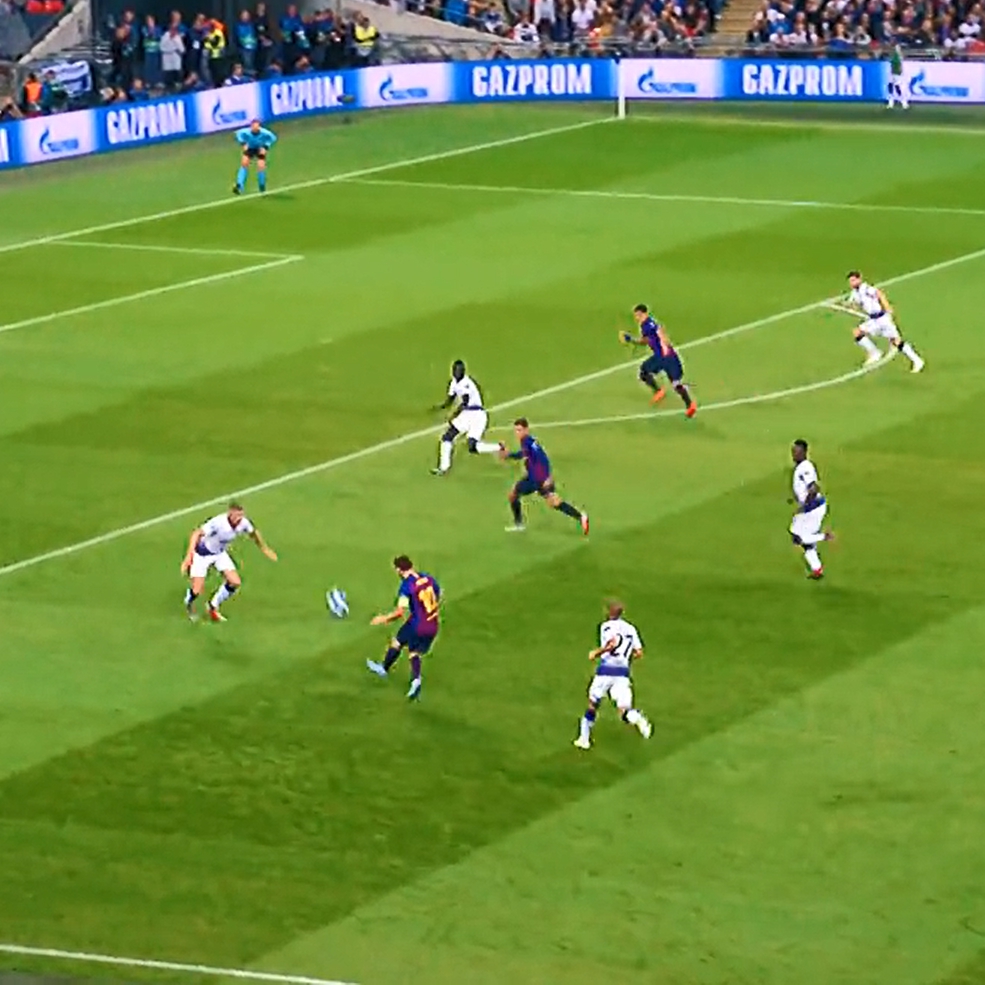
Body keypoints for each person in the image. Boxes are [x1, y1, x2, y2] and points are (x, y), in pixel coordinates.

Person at [574, 600, 652, 749]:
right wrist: (625, 659)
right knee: (623, 710)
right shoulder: (631, 628)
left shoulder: (606, 626)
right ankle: (638, 718)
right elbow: (639, 652)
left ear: (609, 612)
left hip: (606, 671)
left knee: (593, 703)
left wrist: (597, 652)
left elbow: (613, 643)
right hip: (622, 673)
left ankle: (584, 739)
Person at [181, 502, 277, 622]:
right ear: (230, 514)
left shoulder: (243, 523)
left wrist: (264, 548)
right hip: (202, 554)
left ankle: (213, 605)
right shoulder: (218, 523)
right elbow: (196, 533)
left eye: (241, 516)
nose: (239, 519)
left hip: (219, 554)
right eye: (237, 516)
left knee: (235, 582)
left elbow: (253, 533)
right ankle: (189, 603)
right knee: (197, 590)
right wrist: (189, 556)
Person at [367, 555, 441, 700]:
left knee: (411, 651)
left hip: (418, 624)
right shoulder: (428, 578)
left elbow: (400, 612)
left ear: (399, 570)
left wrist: (383, 618)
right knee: (400, 642)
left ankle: (415, 680)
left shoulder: (407, 586)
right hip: (432, 623)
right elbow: (437, 593)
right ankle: (385, 668)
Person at [500, 418, 589, 534]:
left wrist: (509, 455)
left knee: (513, 495)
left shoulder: (526, 441)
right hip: (541, 476)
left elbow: (527, 455)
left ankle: (519, 524)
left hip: (535, 478)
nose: (517, 433)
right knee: (554, 502)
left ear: (526, 430)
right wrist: (547, 476)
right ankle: (581, 517)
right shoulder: (532, 441)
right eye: (516, 430)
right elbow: (542, 457)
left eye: (520, 430)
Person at [621, 304, 697, 416]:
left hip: (661, 357)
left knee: (643, 372)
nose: (637, 318)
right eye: (636, 316)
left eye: (639, 315)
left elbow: (645, 341)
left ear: (645, 313)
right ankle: (690, 405)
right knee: (676, 383)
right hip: (671, 356)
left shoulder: (646, 326)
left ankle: (658, 391)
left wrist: (630, 339)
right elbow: (661, 337)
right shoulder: (653, 323)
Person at [431, 359, 502, 475]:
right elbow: (450, 400)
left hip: (477, 415)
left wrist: (454, 414)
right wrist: (440, 407)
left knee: (472, 446)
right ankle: (443, 468)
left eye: (459, 371)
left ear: (463, 371)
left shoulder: (466, 383)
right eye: (455, 370)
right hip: (466, 414)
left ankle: (499, 447)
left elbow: (465, 402)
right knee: (447, 437)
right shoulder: (454, 383)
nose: (456, 373)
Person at [846, 271, 924, 372]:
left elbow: (880, 294)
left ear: (859, 279)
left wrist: (887, 307)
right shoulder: (855, 293)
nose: (852, 283)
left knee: (896, 341)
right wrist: (851, 306)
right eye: (850, 281)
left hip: (882, 318)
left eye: (853, 280)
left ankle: (917, 360)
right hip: (873, 320)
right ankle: (875, 353)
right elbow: (855, 304)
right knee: (857, 332)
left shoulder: (866, 288)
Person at [789, 439, 832, 580]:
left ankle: (825, 536)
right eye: (793, 451)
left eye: (797, 452)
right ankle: (817, 569)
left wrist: (805, 506)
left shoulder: (805, 467)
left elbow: (814, 488)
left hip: (813, 508)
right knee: (808, 543)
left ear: (804, 452)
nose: (794, 454)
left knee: (797, 537)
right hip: (814, 506)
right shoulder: (802, 467)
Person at [233, 119, 277, 195]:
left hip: (260, 149)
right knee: (244, 164)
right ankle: (239, 185)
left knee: (261, 166)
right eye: (254, 127)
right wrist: (243, 143)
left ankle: (262, 186)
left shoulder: (265, 132)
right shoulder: (245, 131)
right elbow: (238, 134)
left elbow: (273, 138)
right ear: (251, 127)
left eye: (257, 127)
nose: (255, 129)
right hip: (250, 148)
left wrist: (266, 147)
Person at [161, 22, 185, 89]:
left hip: (176, 59)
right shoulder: (165, 36)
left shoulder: (178, 37)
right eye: (172, 29)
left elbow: (182, 49)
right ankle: (168, 86)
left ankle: (178, 84)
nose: (173, 31)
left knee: (177, 73)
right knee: (168, 75)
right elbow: (162, 48)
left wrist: (176, 44)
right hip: (167, 60)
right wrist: (172, 49)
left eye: (175, 29)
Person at [887, 42, 909, 109]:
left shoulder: (899, 56)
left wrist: (900, 72)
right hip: (892, 72)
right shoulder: (893, 55)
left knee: (897, 87)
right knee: (890, 85)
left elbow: (899, 64)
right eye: (896, 47)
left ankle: (903, 102)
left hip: (897, 73)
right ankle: (891, 102)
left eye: (898, 48)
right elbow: (891, 62)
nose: (896, 49)